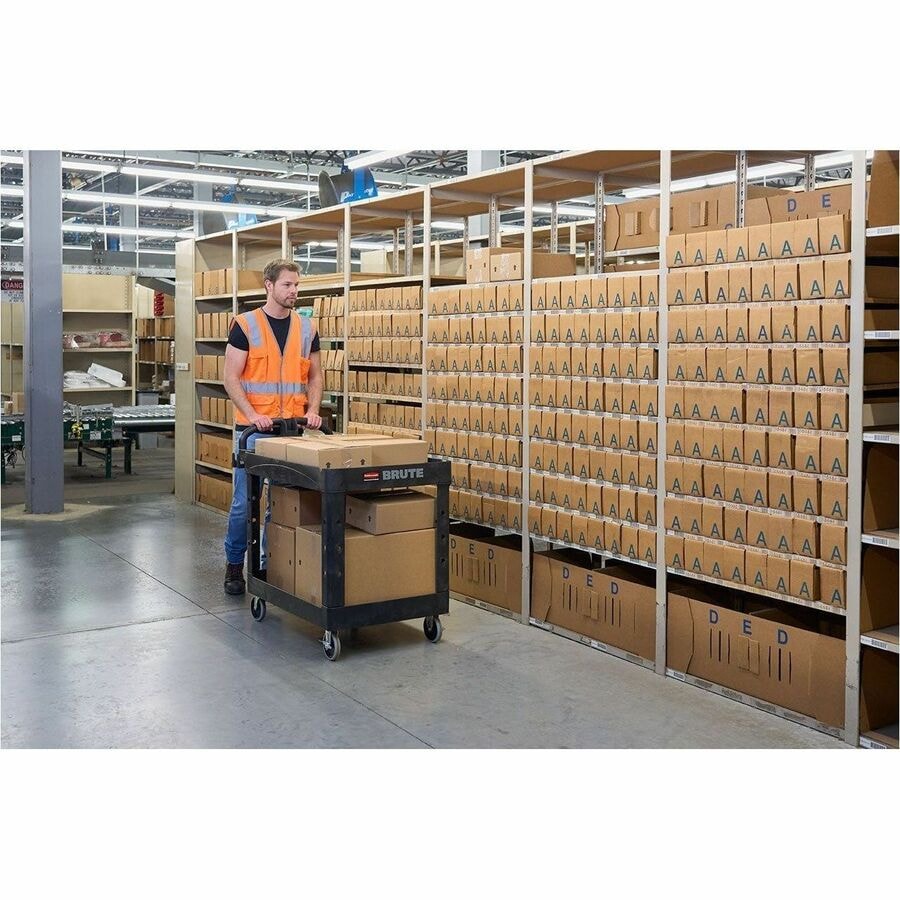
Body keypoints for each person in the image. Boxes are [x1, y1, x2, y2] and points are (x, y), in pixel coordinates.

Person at [222, 258, 323, 594]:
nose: (294, 291)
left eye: (297, 285)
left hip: (290, 430)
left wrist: (313, 410)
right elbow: (231, 378)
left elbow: (315, 376)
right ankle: (234, 564)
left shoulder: (307, 328)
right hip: (252, 433)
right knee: (244, 503)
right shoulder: (245, 325)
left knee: (279, 503)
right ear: (269, 285)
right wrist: (252, 414)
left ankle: (270, 564)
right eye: (287, 285)